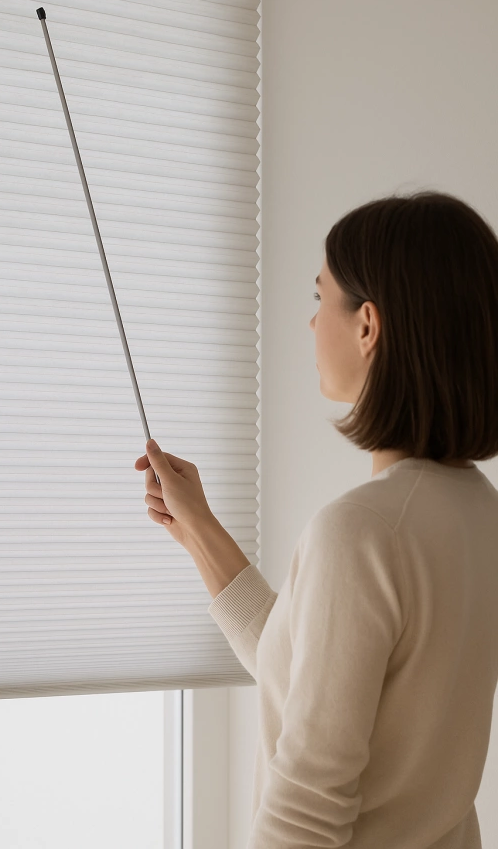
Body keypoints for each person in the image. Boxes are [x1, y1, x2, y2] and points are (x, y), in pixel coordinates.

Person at [136, 189, 498, 848]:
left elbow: (305, 809)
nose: (310, 324)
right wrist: (199, 532)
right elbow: (308, 670)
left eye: (319, 297)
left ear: (367, 326)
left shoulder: (364, 531)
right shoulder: (478, 513)